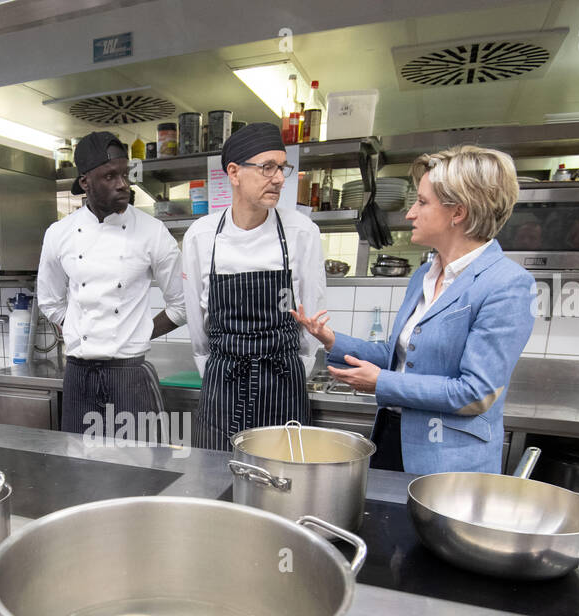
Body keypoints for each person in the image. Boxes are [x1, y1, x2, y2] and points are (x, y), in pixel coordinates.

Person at [293, 144, 534, 474]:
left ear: (458, 212)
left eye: (422, 202)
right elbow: (401, 357)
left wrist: (381, 383)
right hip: (393, 439)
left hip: (448, 463)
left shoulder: (506, 283)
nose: (410, 214)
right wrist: (332, 340)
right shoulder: (425, 273)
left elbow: (475, 394)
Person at [182, 122, 324, 450]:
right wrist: (218, 372)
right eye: (267, 167)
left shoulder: (302, 232)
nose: (278, 178)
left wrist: (290, 372)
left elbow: (311, 316)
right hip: (222, 386)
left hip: (284, 387)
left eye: (282, 167)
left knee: (283, 490)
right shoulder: (201, 237)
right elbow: (197, 330)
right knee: (216, 483)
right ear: (234, 173)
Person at [37, 131, 187, 435]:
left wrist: (140, 331)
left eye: (125, 174)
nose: (123, 184)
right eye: (109, 176)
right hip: (78, 376)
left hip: (130, 376)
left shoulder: (152, 232)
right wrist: (78, 325)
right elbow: (50, 301)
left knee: (143, 472)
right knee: (79, 468)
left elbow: (181, 306)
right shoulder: (59, 233)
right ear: (84, 182)